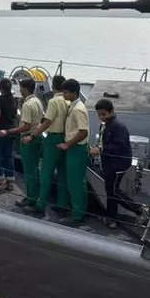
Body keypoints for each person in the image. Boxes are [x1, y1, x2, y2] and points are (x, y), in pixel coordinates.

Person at [25, 75, 70, 217]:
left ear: (53, 86)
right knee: (62, 173)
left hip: (53, 138)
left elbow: (47, 122)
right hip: (66, 138)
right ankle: (62, 205)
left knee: (46, 173)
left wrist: (33, 135)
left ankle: (40, 205)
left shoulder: (54, 101)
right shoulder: (69, 101)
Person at [0, 78, 44, 207]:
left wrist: (8, 131)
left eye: (21, 87)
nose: (20, 90)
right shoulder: (37, 102)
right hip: (37, 137)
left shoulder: (27, 104)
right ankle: (34, 195)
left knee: (29, 171)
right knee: (34, 169)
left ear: (25, 88)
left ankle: (31, 199)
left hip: (27, 138)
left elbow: (25, 126)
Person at [90, 98, 132, 229]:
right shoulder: (105, 125)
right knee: (111, 190)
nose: (102, 117)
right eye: (100, 115)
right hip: (109, 163)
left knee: (113, 191)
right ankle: (111, 216)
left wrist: (101, 150)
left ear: (112, 111)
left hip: (117, 163)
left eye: (104, 114)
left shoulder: (118, 127)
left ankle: (138, 210)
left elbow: (119, 145)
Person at [53, 79, 90, 226]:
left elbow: (83, 132)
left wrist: (67, 144)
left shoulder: (78, 109)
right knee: (74, 182)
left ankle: (77, 215)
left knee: (75, 183)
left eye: (66, 92)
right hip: (74, 149)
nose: (64, 95)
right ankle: (77, 210)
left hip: (77, 149)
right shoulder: (72, 106)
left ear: (74, 93)